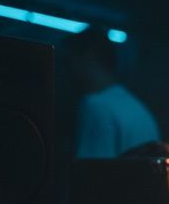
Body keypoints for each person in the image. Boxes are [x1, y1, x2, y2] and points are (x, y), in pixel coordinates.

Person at [66, 27, 160, 158]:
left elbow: (91, 171)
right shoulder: (138, 108)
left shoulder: (96, 106)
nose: (67, 70)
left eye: (69, 60)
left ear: (87, 57)